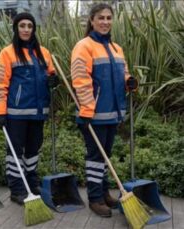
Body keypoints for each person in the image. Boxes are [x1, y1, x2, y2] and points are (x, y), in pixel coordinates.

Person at [70, 3, 138, 217]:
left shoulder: (116, 48)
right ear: (92, 20)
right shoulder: (84, 46)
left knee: (105, 156)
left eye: (109, 18)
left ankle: (105, 192)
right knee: (95, 157)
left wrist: (129, 81)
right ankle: (95, 198)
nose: (105, 22)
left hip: (113, 112)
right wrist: (88, 112)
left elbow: (122, 73)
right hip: (94, 115)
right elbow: (80, 81)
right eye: (101, 18)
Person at [0, 12, 59, 205]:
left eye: (30, 26)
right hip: (16, 112)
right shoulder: (8, 53)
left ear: (34, 29)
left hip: (38, 112)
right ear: (16, 28)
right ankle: (17, 188)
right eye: (22, 26)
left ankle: (31, 181)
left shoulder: (43, 53)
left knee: (33, 149)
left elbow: (50, 76)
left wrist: (54, 81)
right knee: (15, 151)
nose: (26, 29)